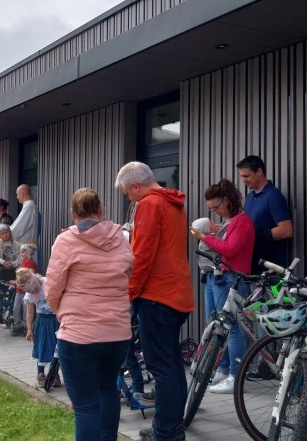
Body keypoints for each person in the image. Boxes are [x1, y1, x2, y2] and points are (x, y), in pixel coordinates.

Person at [45, 187, 133, 441]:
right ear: (100, 209)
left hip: (79, 335)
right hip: (117, 332)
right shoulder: (122, 237)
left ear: (73, 213)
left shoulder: (66, 240)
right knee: (107, 390)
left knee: (85, 405)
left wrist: (60, 311)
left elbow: (52, 286)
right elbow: (127, 271)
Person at [115, 162, 193, 441]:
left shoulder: (149, 204)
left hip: (156, 296)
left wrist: (129, 293)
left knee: (162, 367)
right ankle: (172, 425)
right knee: (171, 364)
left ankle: (166, 431)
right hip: (176, 293)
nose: (129, 199)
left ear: (136, 186)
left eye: (127, 193)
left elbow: (141, 255)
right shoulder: (173, 202)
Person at [190, 179, 255, 393]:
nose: (215, 212)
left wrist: (204, 237)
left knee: (233, 327)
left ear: (227, 200)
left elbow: (231, 248)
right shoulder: (229, 221)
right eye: (211, 209)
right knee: (217, 325)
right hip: (216, 276)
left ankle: (236, 376)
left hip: (231, 277)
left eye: (217, 207)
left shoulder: (242, 220)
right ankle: (224, 368)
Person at [237, 155, 293, 275]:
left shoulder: (273, 196)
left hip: (270, 268)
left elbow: (286, 230)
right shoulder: (249, 197)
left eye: (246, 176)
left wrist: (256, 234)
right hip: (252, 265)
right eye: (242, 176)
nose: (243, 180)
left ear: (259, 171)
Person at [18, 267, 60, 388]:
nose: (34, 293)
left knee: (56, 348)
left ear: (35, 281)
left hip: (56, 321)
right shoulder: (29, 294)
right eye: (31, 292)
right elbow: (30, 312)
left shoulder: (48, 283)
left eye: (35, 290)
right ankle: (40, 373)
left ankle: (54, 374)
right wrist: (29, 329)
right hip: (42, 321)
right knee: (41, 346)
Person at [10, 184, 40, 259]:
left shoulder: (29, 206)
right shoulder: (29, 206)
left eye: (17, 194)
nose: (17, 197)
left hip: (26, 249)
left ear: (22, 194)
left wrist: (4, 233)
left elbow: (18, 228)